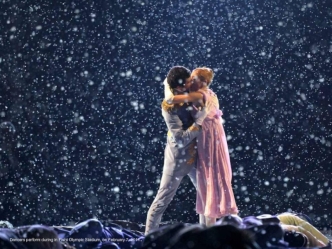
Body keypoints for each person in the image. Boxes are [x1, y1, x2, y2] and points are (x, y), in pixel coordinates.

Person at [165, 67, 238, 227]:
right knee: (211, 177)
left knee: (207, 176)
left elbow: (171, 101)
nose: (190, 81)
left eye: (194, 78)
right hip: (217, 135)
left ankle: (209, 224)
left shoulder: (199, 94)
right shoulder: (212, 94)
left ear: (203, 82)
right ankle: (212, 221)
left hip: (208, 137)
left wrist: (170, 89)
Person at [145, 66, 212, 235]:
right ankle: (148, 238)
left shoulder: (188, 91)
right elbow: (180, 138)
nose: (190, 84)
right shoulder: (169, 106)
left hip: (196, 156)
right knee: (162, 200)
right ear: (178, 87)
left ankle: (206, 237)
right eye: (186, 83)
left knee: (206, 197)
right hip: (177, 159)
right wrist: (200, 122)